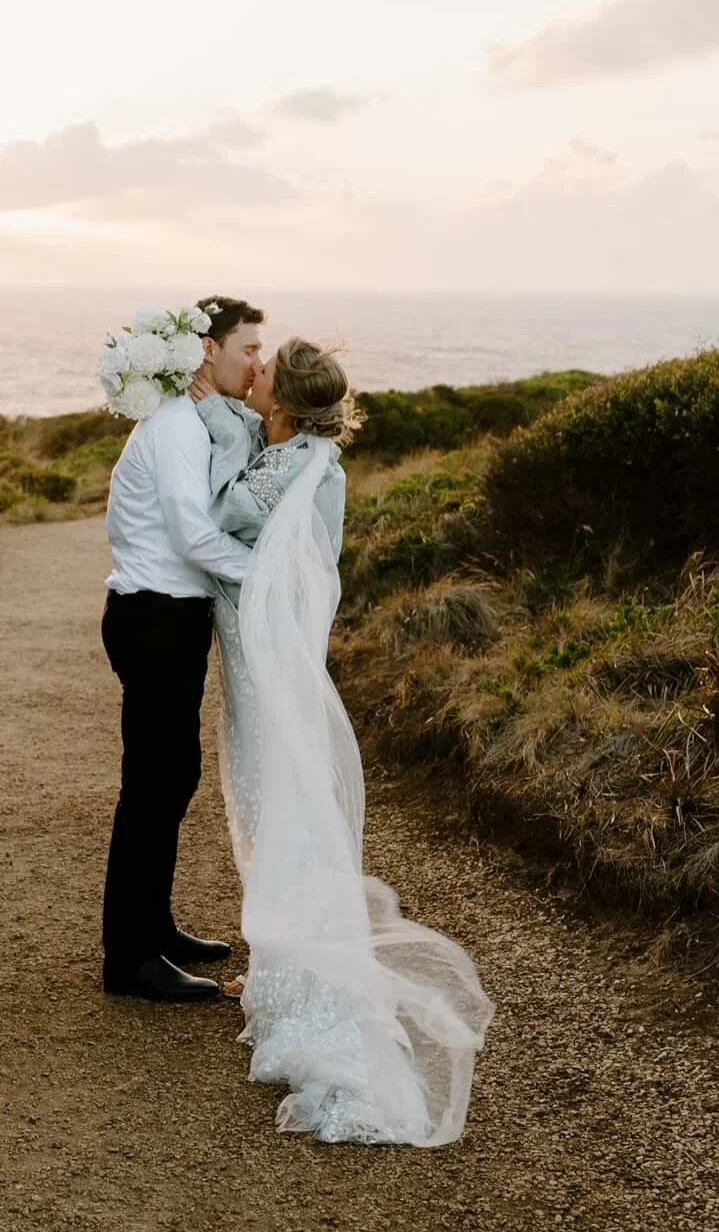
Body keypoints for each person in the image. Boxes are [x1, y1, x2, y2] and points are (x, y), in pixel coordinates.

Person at [191, 337, 495, 1144]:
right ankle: (287, 959)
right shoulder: (308, 455)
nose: (249, 373)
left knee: (283, 810)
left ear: (284, 405)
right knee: (276, 809)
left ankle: (311, 992)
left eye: (261, 372)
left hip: (267, 671)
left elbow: (220, 519)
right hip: (267, 665)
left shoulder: (290, 470)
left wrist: (218, 428)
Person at [99, 296, 265, 1001]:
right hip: (155, 617)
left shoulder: (189, 421)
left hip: (169, 616)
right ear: (208, 351)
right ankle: (130, 961)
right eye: (249, 348)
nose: (259, 362)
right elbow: (195, 537)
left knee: (173, 778)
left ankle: (154, 928)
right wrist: (271, 572)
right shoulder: (174, 428)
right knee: (153, 788)